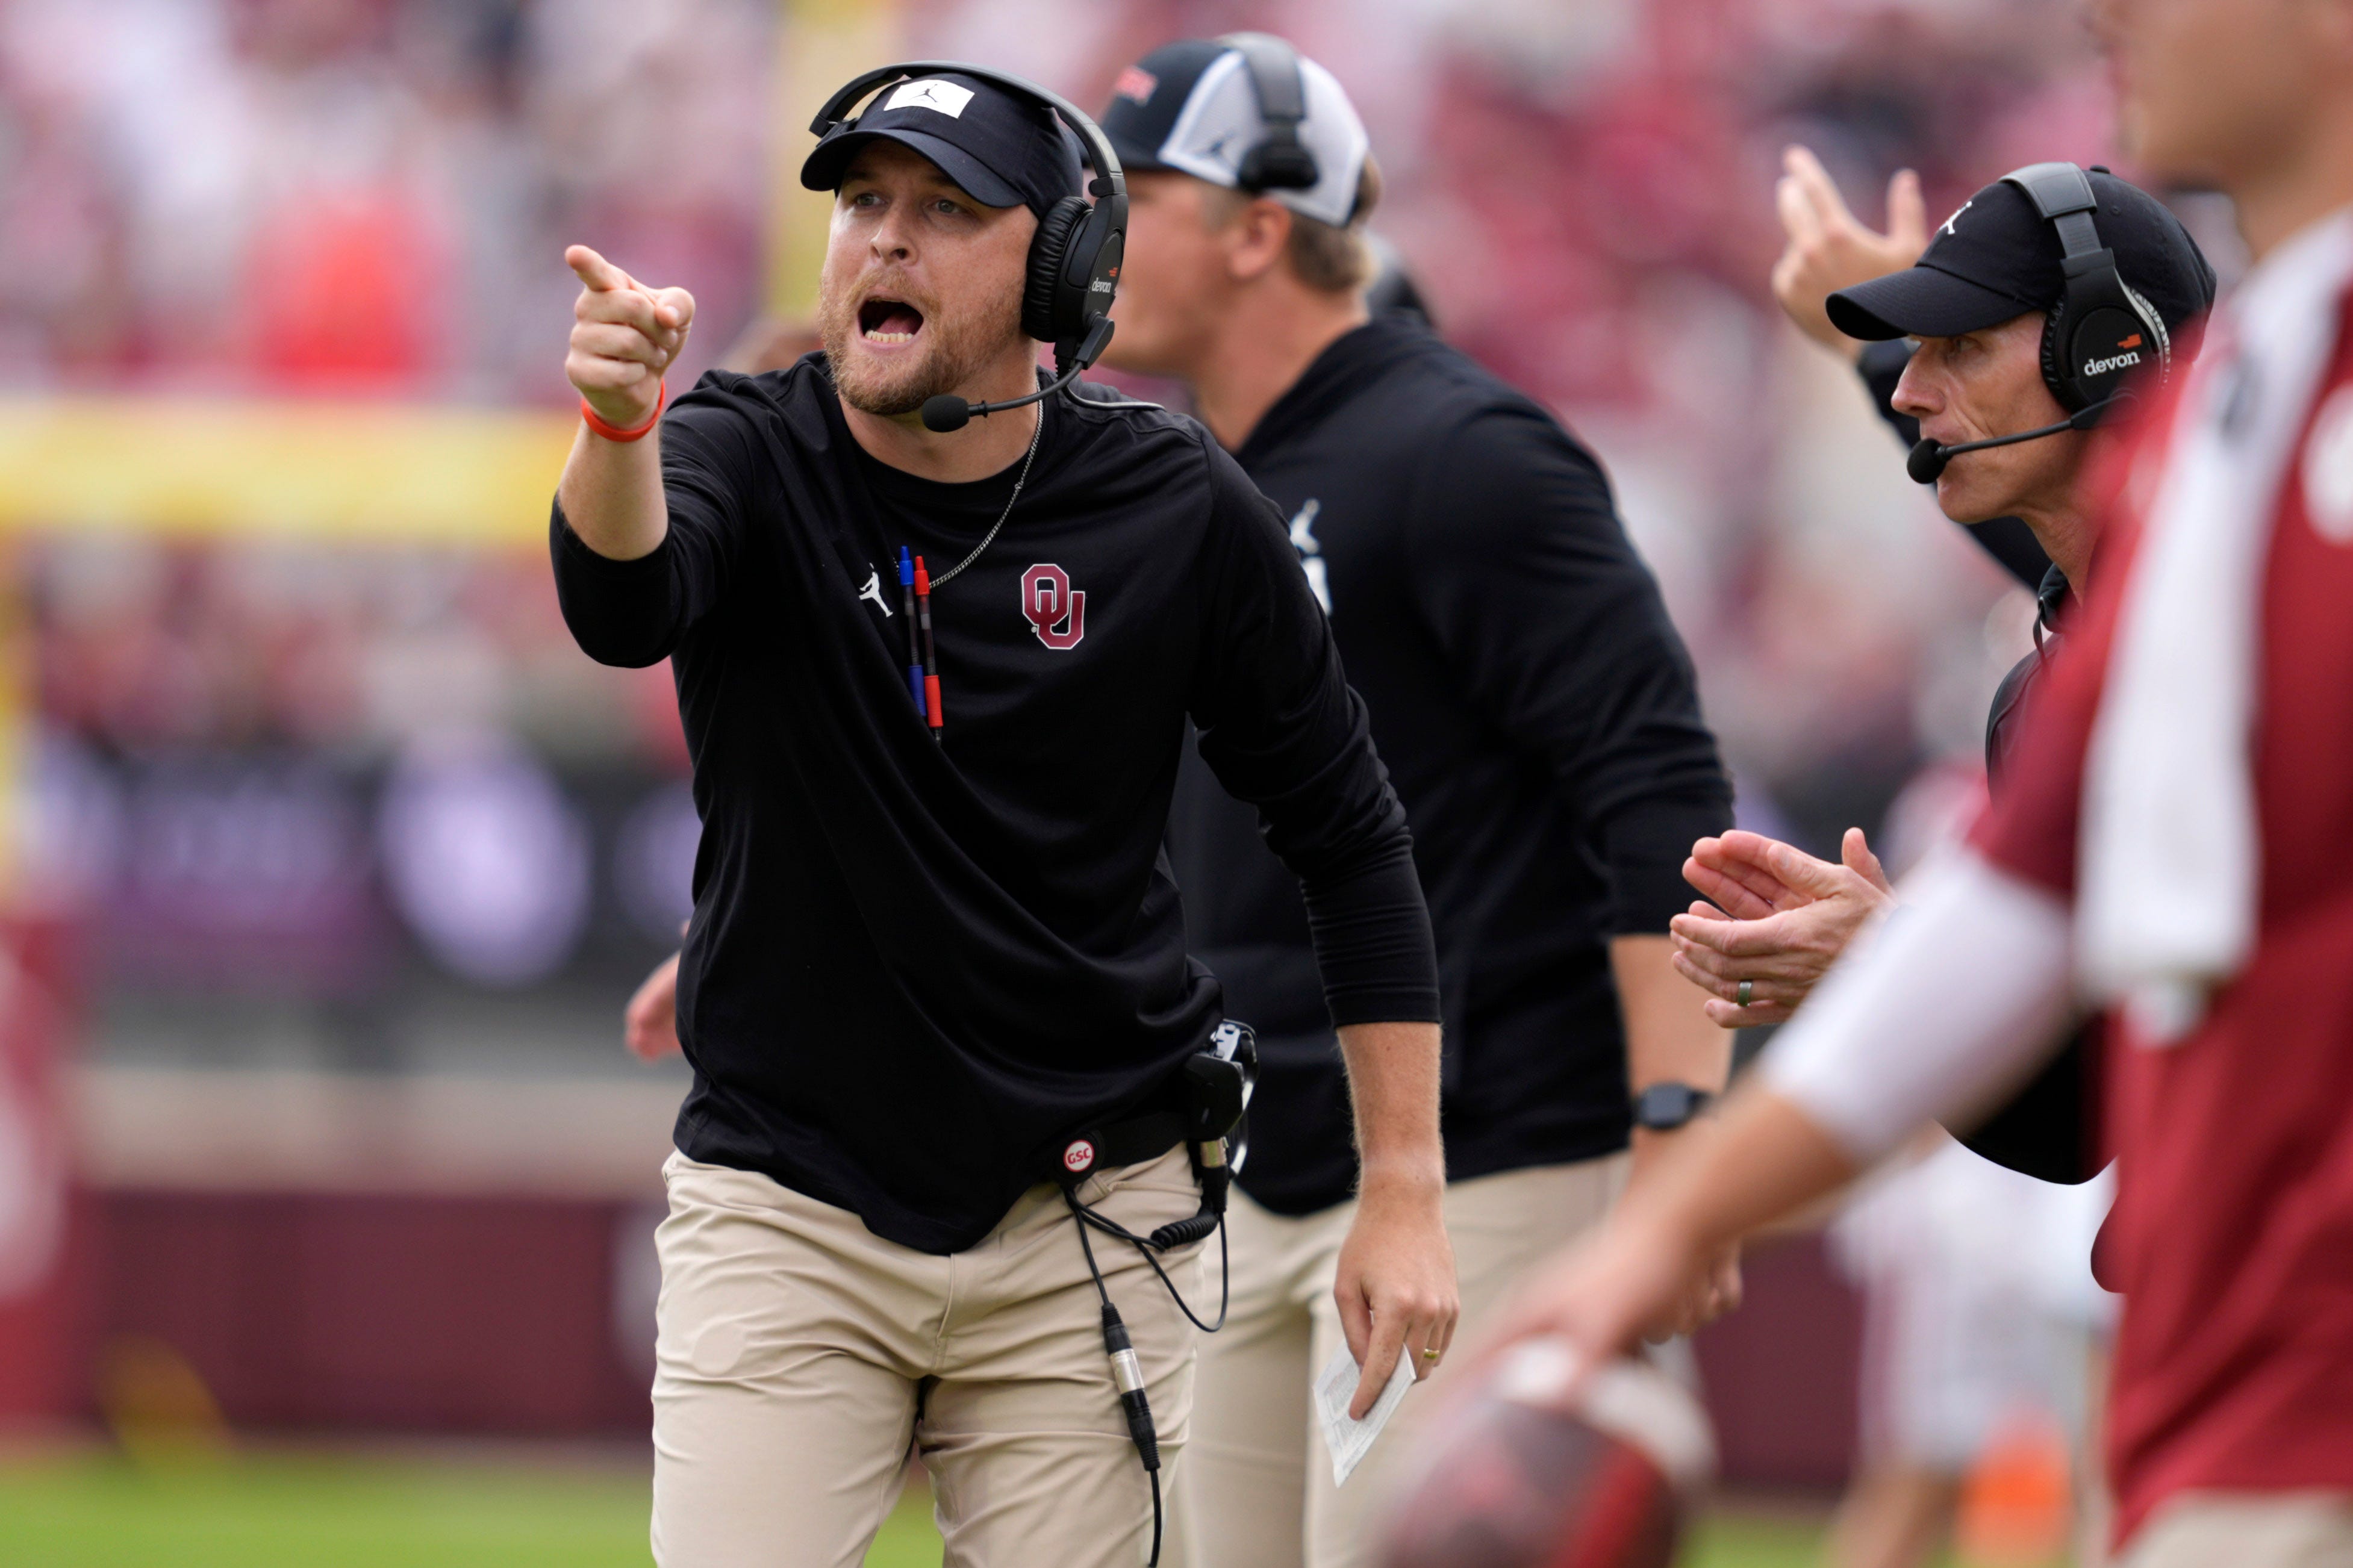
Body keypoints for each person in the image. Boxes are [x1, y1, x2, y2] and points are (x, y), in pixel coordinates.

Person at [550, 64, 1457, 1568]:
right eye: (862, 205)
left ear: (1060, 271)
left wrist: (1405, 1195)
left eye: (945, 211)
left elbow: (1350, 835)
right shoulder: (742, 447)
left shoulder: (1171, 501)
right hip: (790, 1203)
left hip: (1089, 1214)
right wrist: (615, 425)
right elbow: (619, 603)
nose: (883, 242)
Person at [1494, 1, 2353, 1563]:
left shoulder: (2251, 440)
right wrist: (1681, 1209)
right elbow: (2063, 1061)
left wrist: (1685, 1205)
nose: (2109, 16)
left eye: (1957, 348)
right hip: (2215, 1362)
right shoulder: (2232, 427)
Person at [1092, 36, 1736, 1568]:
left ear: (1259, 227)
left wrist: (1674, 1159)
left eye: (1136, 194)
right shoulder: (1175, 476)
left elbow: (1661, 800)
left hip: (1496, 1161)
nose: (1089, 227)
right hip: (1254, 1174)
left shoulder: (1462, 453)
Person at [1669, 154, 2213, 1184]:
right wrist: (1875, 968)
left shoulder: (2264, 629)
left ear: (2110, 352)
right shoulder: (2038, 694)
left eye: (1960, 348)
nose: (1916, 390)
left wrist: (1898, 958)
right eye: (1912, 354)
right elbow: (2080, 1128)